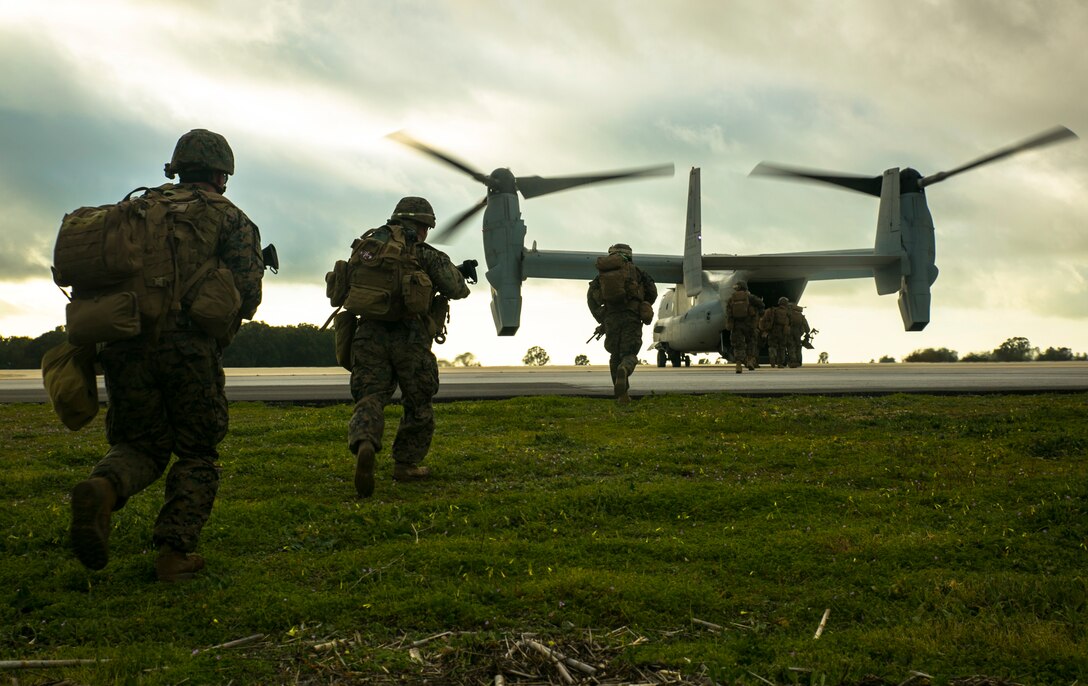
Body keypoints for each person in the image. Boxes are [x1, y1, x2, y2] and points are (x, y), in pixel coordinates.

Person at [68, 129, 264, 582]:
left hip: (122, 341)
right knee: (197, 451)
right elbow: (248, 295)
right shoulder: (231, 219)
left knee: (140, 444)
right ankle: (174, 554)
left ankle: (103, 487)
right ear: (221, 173)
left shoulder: (134, 209)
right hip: (187, 347)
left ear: (176, 168)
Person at [349, 197, 470, 498]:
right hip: (411, 338)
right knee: (418, 402)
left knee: (370, 396)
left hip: (369, 333)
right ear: (421, 225)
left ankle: (365, 441)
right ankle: (405, 464)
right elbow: (457, 289)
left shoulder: (367, 246)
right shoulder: (424, 253)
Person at [587, 243, 657, 403]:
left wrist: (602, 318)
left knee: (615, 355)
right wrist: (643, 305)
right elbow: (652, 292)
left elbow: (591, 298)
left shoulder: (601, 277)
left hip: (611, 317)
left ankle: (622, 396)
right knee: (629, 354)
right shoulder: (638, 272)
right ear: (630, 255)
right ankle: (624, 369)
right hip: (631, 317)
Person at [724, 280, 761, 374]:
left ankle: (738, 365)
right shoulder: (750, 297)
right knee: (751, 342)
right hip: (749, 324)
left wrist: (730, 323)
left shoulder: (731, 298)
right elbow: (761, 304)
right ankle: (750, 361)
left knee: (738, 345)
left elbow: (728, 312)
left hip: (737, 325)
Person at [762, 297, 792, 368]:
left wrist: (765, 329)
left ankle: (772, 358)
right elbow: (791, 322)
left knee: (772, 346)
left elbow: (765, 319)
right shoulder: (788, 312)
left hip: (773, 331)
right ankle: (780, 363)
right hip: (783, 332)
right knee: (782, 348)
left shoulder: (773, 310)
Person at [786, 300, 812, 368]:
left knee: (791, 347)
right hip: (798, 333)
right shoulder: (801, 316)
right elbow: (807, 327)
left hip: (790, 332)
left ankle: (793, 361)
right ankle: (799, 362)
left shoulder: (788, 315)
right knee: (798, 347)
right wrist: (806, 333)